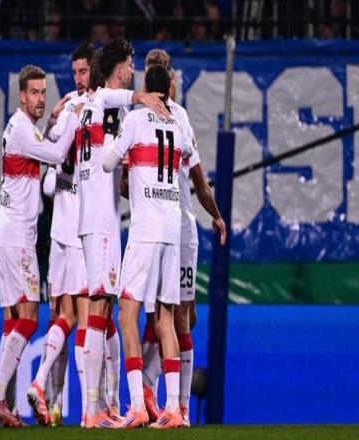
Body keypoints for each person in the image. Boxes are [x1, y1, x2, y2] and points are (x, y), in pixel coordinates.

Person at [75, 38, 168, 429]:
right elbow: (116, 97)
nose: (133, 70)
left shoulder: (90, 106)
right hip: (101, 220)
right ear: (120, 68)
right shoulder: (105, 100)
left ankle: (102, 404)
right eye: (130, 64)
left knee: (103, 309)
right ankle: (91, 409)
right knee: (99, 309)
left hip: (94, 216)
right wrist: (142, 97)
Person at [0, 64, 83, 428]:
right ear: (21, 96)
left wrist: (53, 119)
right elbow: (56, 155)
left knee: (12, 322)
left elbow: (40, 146)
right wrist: (73, 116)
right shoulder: (23, 129)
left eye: (44, 92)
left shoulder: (21, 127)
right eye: (35, 93)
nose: (41, 99)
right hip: (18, 239)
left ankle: (4, 403)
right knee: (29, 318)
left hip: (6, 235)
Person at [103, 64, 194, 428]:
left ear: (146, 87)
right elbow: (185, 155)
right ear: (168, 90)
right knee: (166, 317)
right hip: (173, 227)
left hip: (145, 229)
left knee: (127, 314)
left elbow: (108, 162)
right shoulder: (177, 124)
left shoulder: (136, 120)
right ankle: (174, 409)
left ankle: (138, 406)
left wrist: (119, 143)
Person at [141, 49, 226, 427]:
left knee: (182, 315)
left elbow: (198, 179)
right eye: (153, 71)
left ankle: (178, 406)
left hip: (181, 228)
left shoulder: (180, 118)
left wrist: (216, 215)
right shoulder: (137, 116)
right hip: (153, 229)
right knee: (156, 313)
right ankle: (154, 395)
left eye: (163, 71)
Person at [27, 42, 96, 427]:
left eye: (83, 71)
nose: (78, 78)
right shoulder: (88, 107)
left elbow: (49, 182)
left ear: (94, 70)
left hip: (60, 229)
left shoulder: (67, 107)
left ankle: (50, 401)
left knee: (62, 316)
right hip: (79, 232)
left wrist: (52, 123)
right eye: (75, 72)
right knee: (81, 317)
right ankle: (85, 409)